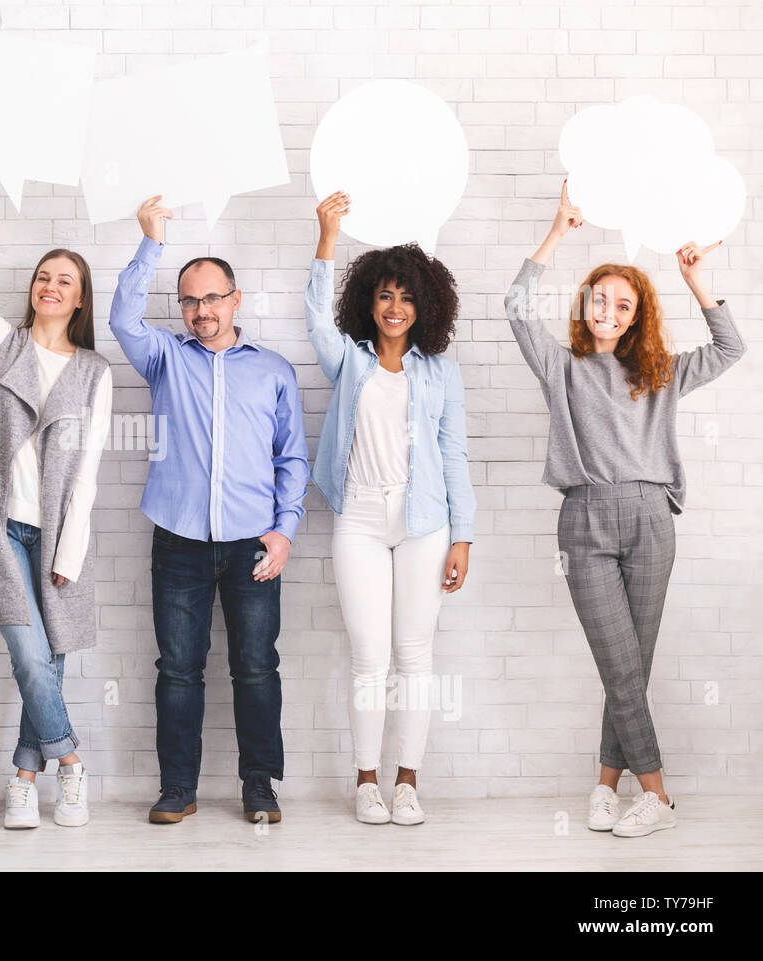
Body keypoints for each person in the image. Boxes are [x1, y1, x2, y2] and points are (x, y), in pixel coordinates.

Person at [506, 180, 746, 838]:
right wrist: (557, 231)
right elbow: (517, 307)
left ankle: (607, 787)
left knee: (627, 668)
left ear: (638, 314)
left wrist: (697, 281)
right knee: (620, 664)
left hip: (649, 521)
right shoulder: (561, 367)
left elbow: (731, 349)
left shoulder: (661, 371)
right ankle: (660, 796)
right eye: (599, 298)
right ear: (583, 305)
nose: (608, 309)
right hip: (583, 520)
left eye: (622, 303)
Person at [111, 196, 309, 825]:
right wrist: (151, 243)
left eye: (213, 298)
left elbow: (293, 461)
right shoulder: (163, 358)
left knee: (256, 668)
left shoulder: (274, 372)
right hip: (179, 541)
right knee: (178, 669)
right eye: (190, 301)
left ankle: (259, 785)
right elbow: (121, 317)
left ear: (235, 299)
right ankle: (178, 787)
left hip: (254, 542)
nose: (201, 311)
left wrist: (284, 534)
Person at [0, 146, 112, 829]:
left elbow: (89, 473)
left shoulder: (95, 372)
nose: (50, 286)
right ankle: (73, 764)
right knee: (31, 655)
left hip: (58, 540)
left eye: (64, 279)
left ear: (79, 296)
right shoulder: (0, 345)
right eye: (43, 276)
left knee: (52, 661)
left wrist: (69, 556)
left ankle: (24, 777)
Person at [306, 192, 475, 826]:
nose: (395, 307)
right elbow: (316, 324)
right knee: (370, 654)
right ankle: (366, 781)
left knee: (415, 654)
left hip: (425, 522)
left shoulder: (440, 373)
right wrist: (327, 240)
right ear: (368, 303)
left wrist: (464, 538)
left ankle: (408, 782)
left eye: (406, 296)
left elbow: (454, 456)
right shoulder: (348, 361)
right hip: (360, 518)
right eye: (384, 296)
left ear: (423, 305)